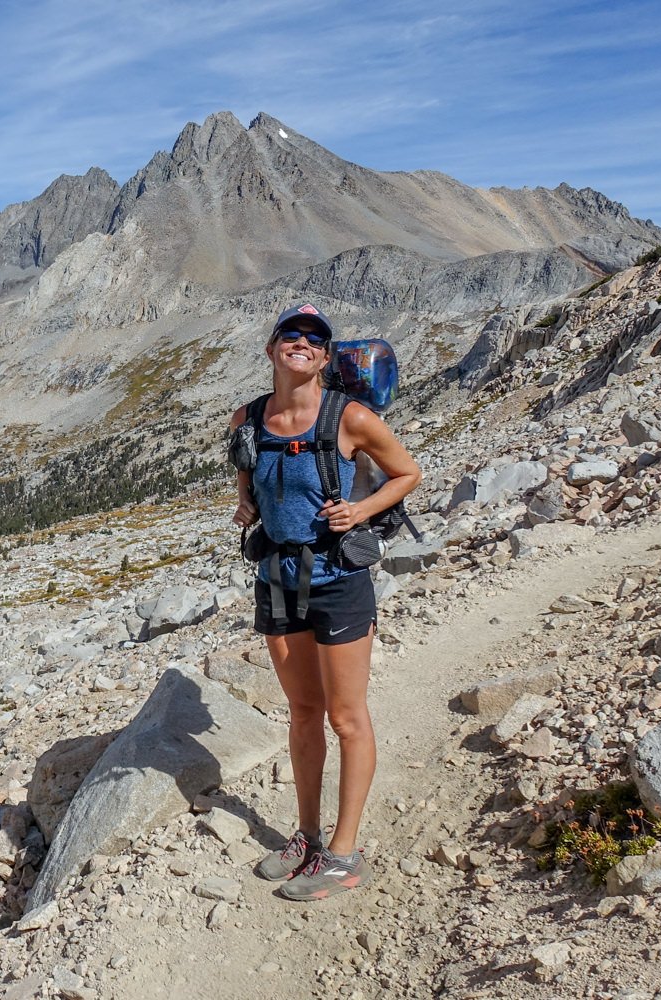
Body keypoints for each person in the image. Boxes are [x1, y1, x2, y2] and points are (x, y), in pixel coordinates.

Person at [229, 303, 421, 901]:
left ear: (326, 356)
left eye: (316, 339)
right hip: (277, 576)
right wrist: (246, 506)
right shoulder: (248, 417)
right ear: (272, 349)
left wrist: (359, 511)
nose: (303, 344)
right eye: (292, 334)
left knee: (346, 716)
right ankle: (307, 836)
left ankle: (343, 853)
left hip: (338, 577)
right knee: (303, 712)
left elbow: (406, 473)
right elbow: (247, 469)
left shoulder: (351, 417)